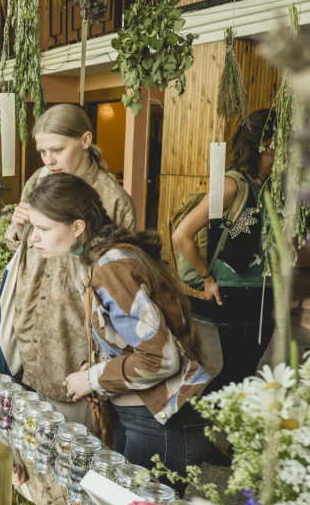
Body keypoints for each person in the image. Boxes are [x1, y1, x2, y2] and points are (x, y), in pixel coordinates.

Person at [24, 173, 212, 478]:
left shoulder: (112, 265)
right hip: (142, 416)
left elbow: (160, 358)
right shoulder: (104, 258)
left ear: (78, 227)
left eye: (43, 228)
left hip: (160, 422)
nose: (33, 237)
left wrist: (92, 378)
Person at [0, 103, 135, 427]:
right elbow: (19, 247)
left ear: (85, 140)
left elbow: (124, 284)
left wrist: (100, 363)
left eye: (57, 149)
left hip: (73, 340)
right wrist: (17, 230)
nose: (48, 160)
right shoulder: (39, 180)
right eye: (43, 151)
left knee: (67, 447)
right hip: (28, 325)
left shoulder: (113, 200)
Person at [171, 110, 275, 400]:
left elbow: (253, 233)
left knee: (245, 371)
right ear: (267, 142)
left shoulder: (266, 184)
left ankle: (223, 437)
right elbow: (182, 235)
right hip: (235, 291)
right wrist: (207, 278)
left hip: (264, 289)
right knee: (236, 372)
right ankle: (196, 427)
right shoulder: (232, 184)